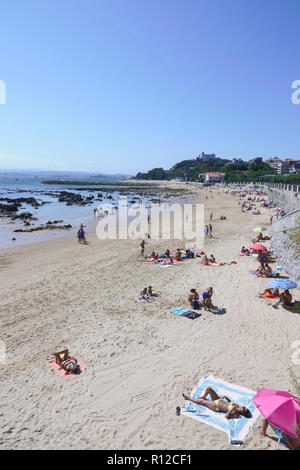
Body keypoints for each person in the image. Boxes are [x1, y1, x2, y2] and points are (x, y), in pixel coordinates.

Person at [182, 387, 252, 419]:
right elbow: (230, 402)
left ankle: (188, 398)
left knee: (201, 402)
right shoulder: (237, 405)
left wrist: (231, 409)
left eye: (243, 408)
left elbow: (226, 416)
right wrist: (226, 397)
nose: (243, 407)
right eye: (244, 407)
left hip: (216, 406)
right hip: (218, 399)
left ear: (242, 412)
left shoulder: (235, 414)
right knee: (208, 389)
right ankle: (203, 396)